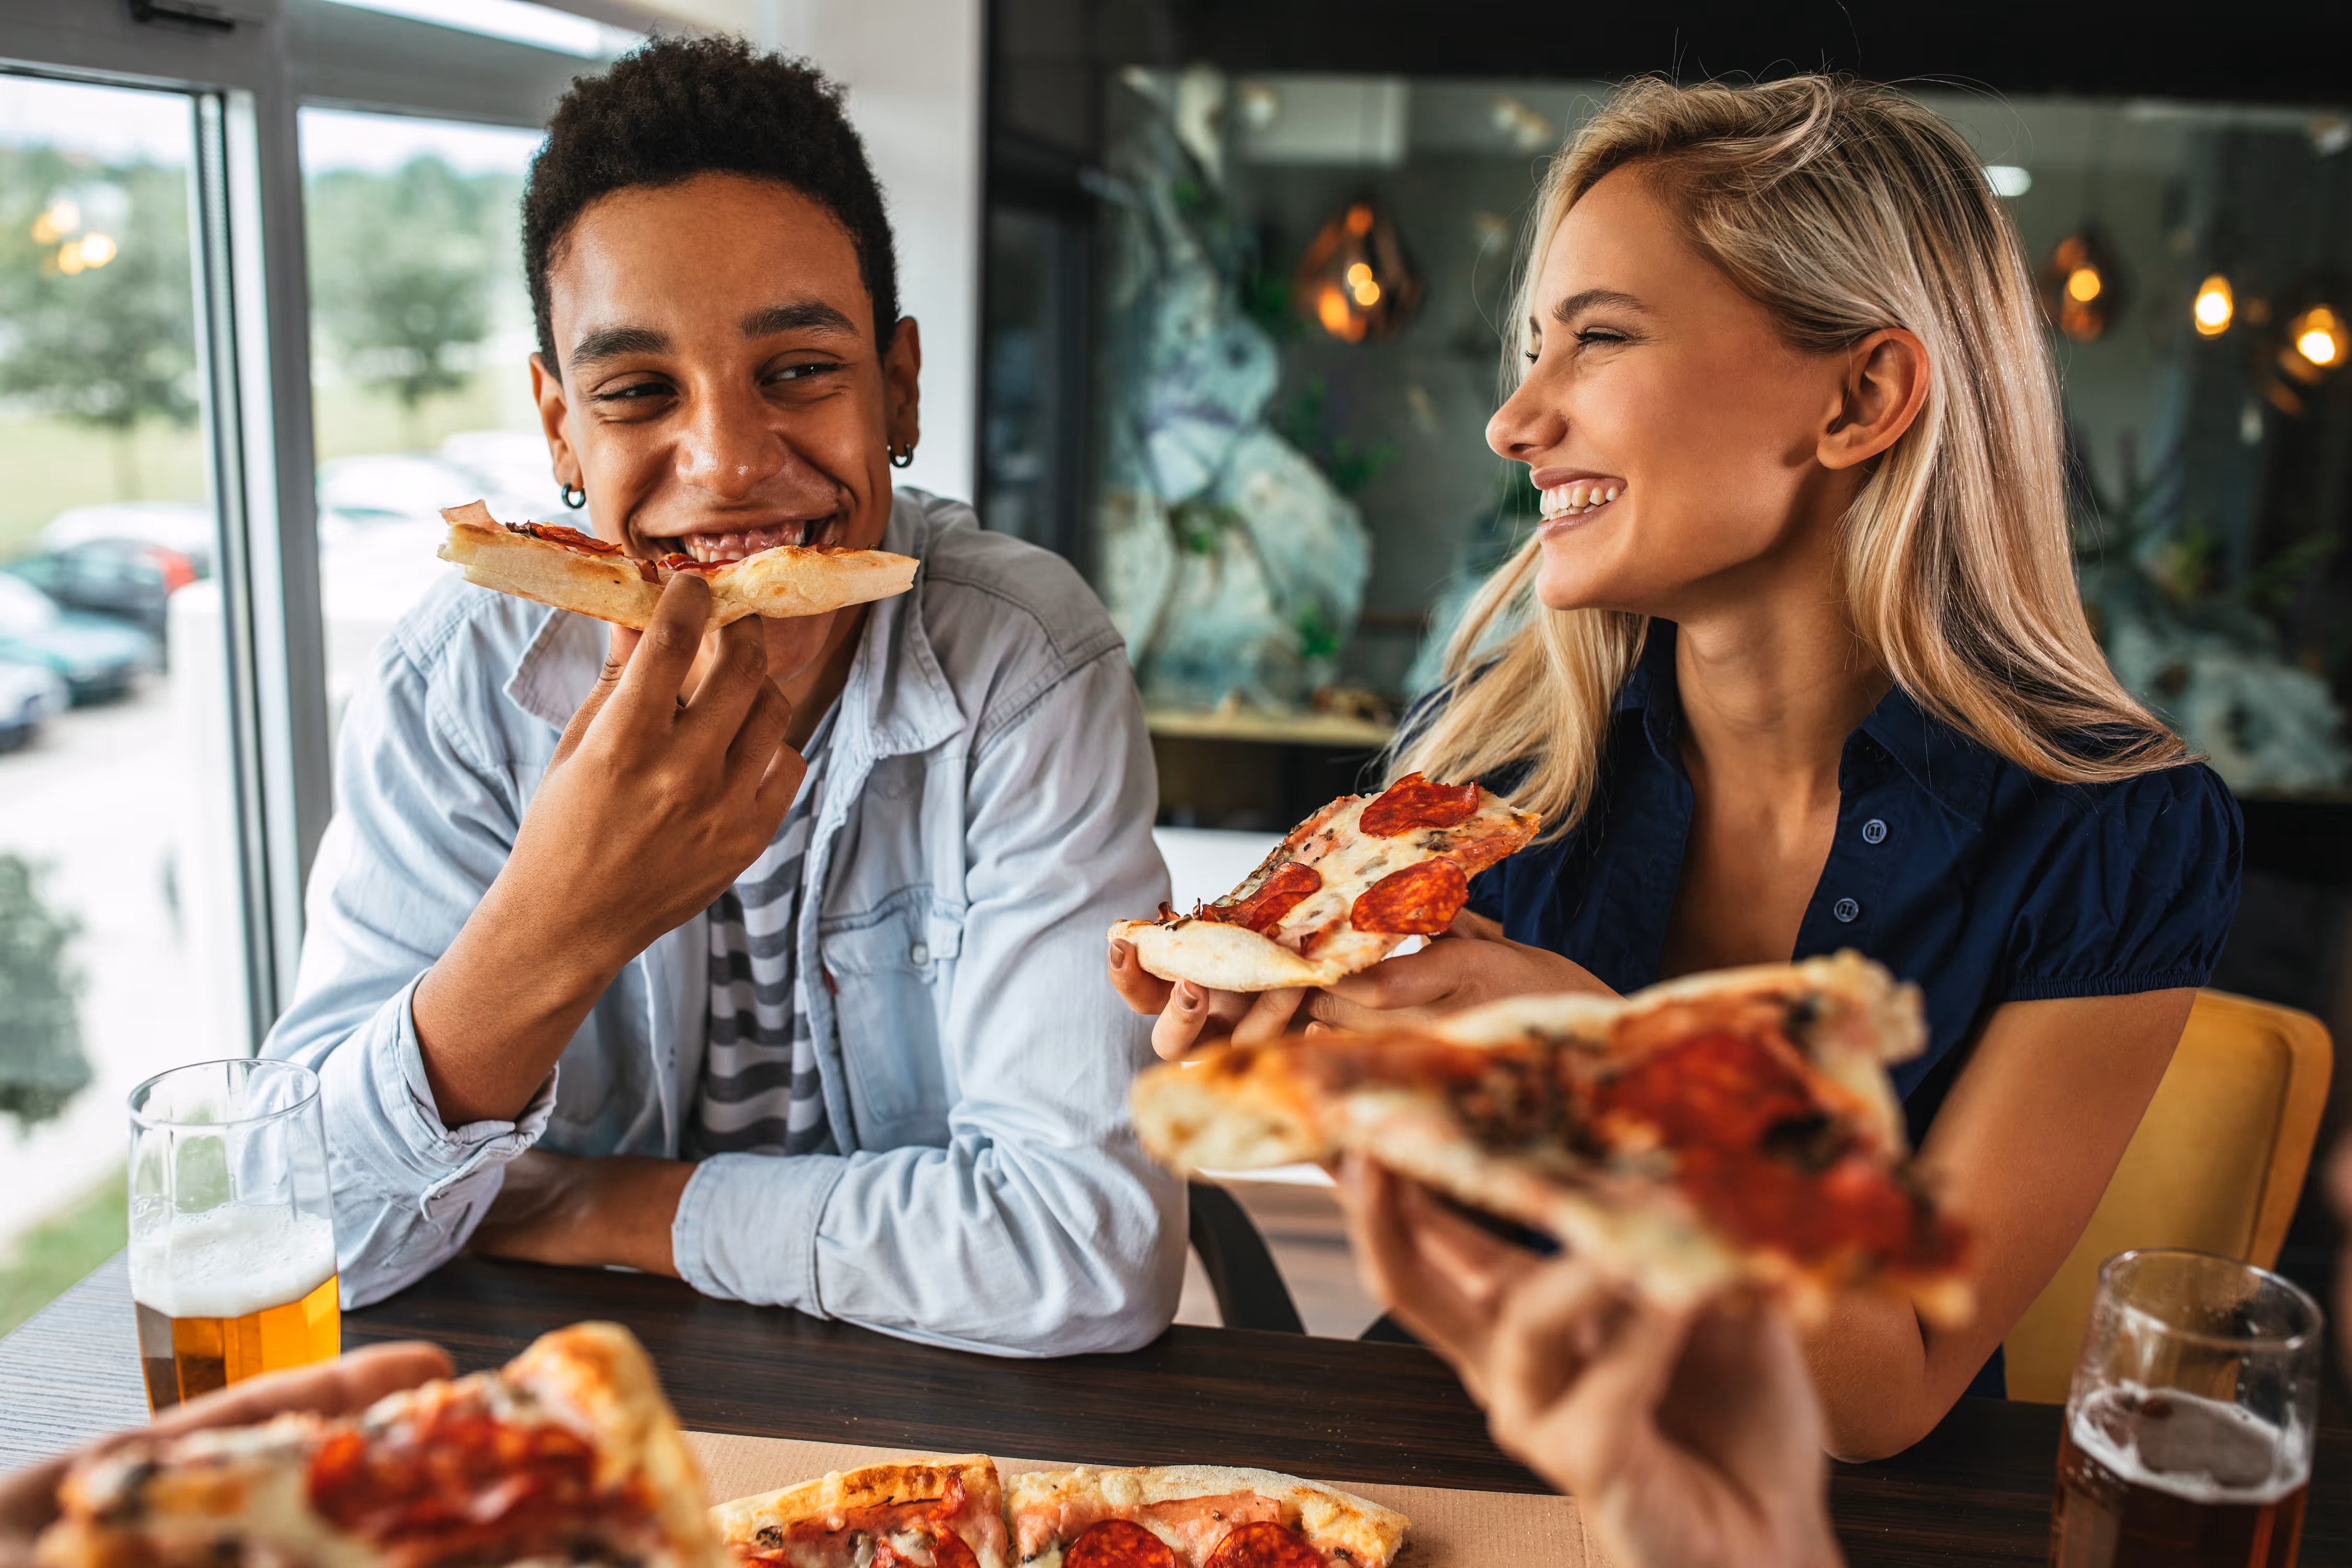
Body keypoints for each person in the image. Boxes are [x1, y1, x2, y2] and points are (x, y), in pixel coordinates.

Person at [1112, 74, 2243, 1456]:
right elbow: (1413, 1214)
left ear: (1861, 396)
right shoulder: (1471, 768)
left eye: (1597, 341)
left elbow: (1882, 1389)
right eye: (1531, 347)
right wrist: (1299, 1069)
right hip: (1463, 1465)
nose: (1514, 421)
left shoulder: (2115, 834)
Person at [263, 37, 1183, 1354]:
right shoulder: (453, 687)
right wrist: (559, 923)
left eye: (800, 369)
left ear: (899, 387)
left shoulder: (1024, 665)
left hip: (930, 1425)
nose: (730, 463)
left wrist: (599, 1206)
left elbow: (1089, 1259)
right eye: (638, 391)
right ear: (560, 430)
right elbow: (305, 1235)